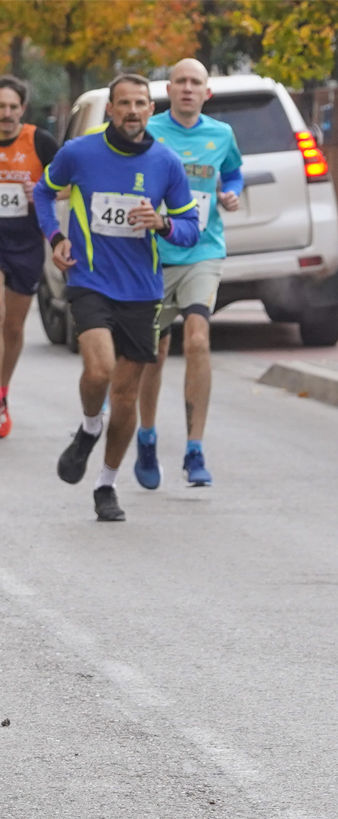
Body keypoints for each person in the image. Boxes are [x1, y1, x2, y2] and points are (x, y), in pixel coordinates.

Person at [34, 72, 199, 521]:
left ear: (151, 109)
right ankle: (90, 426)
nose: (132, 111)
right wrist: (56, 238)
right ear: (110, 110)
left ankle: (105, 485)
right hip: (90, 279)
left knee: (126, 398)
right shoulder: (79, 153)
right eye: (124, 103)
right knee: (99, 369)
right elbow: (43, 192)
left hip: (142, 290)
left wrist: (162, 223)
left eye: (140, 103)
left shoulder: (166, 163)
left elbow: (190, 229)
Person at [133, 58, 243, 489]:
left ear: (206, 92)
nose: (187, 88)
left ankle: (195, 449)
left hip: (202, 250)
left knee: (197, 339)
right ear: (169, 89)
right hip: (153, 255)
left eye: (195, 82)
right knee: (154, 352)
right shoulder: (151, 131)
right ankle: (146, 436)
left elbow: (233, 173)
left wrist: (231, 193)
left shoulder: (222, 134)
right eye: (180, 81)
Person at [0, 74, 58, 438]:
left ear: (22, 109)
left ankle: (2, 393)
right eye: (0, 107)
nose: (5, 113)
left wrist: (40, 191)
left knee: (13, 326)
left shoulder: (40, 141)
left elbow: (67, 184)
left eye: (12, 106)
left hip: (25, 244)